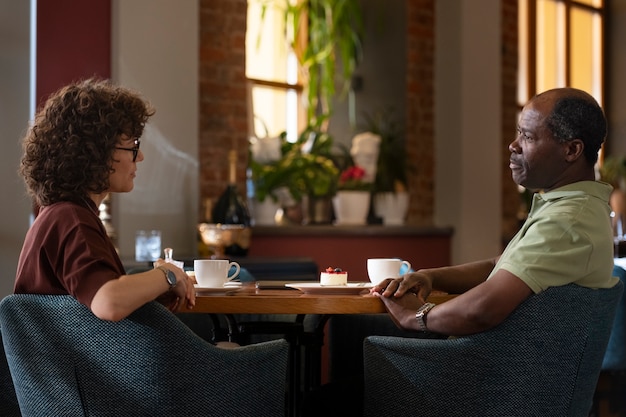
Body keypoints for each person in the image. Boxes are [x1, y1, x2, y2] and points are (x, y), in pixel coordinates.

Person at [373, 87, 619, 336]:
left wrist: (416, 317)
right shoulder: (569, 210)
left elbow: (482, 309)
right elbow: (500, 266)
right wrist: (430, 277)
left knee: (354, 334)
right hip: (495, 360)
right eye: (518, 133)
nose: (513, 145)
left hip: (487, 370)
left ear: (571, 151)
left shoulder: (566, 222)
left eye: (528, 137)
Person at [14, 78, 195, 322]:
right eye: (133, 145)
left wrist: (156, 289)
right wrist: (167, 274)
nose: (139, 157)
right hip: (84, 362)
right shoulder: (72, 220)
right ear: (95, 152)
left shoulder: (59, 215)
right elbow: (108, 302)